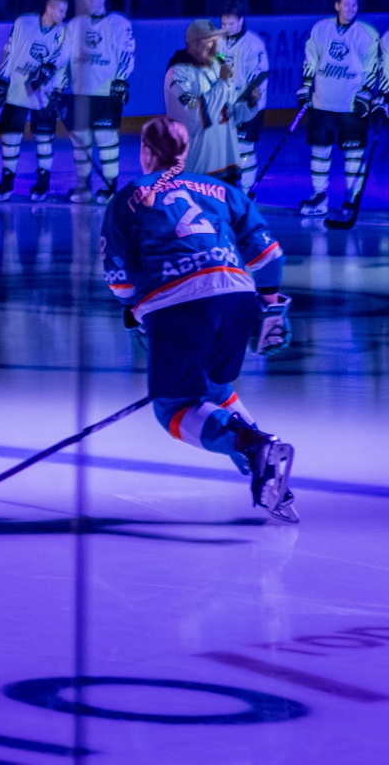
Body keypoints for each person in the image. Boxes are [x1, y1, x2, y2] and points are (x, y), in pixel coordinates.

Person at [101, 115, 295, 522]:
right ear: (185, 152)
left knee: (173, 407)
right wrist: (272, 305)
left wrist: (138, 313)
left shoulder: (129, 196)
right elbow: (271, 257)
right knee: (214, 386)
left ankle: (252, 445)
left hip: (178, 306)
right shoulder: (221, 190)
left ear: (146, 152)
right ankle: (267, 471)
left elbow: (120, 283)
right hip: (237, 296)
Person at [299, 0, 382, 218]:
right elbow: (311, 57)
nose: (350, 9)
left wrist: (367, 93)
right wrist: (306, 86)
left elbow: (371, 66)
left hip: (352, 106)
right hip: (323, 103)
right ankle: (319, 196)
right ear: (337, 5)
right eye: (346, 5)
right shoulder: (321, 29)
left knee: (354, 153)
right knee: (319, 151)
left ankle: (351, 197)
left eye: (354, 5)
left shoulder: (366, 34)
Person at [0, 0, 70, 200]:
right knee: (10, 132)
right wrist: (1, 79)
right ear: (50, 8)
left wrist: (59, 90)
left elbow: (62, 62)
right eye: (61, 10)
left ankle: (43, 181)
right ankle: (7, 181)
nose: (63, 15)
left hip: (44, 92)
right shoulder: (23, 23)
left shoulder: (64, 33)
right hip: (18, 87)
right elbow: (9, 50)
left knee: (44, 136)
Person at [64, 0, 135, 200]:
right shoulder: (75, 25)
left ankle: (109, 185)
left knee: (106, 138)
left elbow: (127, 54)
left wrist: (121, 80)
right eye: (86, 0)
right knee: (81, 140)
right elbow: (63, 55)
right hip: (80, 93)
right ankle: (83, 185)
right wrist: (56, 81)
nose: (89, 4)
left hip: (107, 92)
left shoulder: (118, 24)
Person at [164, 19, 242, 182]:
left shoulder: (218, 67)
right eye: (209, 42)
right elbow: (193, 114)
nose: (215, 48)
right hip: (199, 172)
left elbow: (231, 114)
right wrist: (221, 84)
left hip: (226, 166)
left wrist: (249, 103)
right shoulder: (178, 73)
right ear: (192, 45)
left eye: (216, 41)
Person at [216, 2, 270, 193]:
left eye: (231, 24)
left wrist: (250, 100)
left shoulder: (253, 44)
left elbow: (260, 74)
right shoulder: (218, 42)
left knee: (244, 148)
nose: (226, 28)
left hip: (248, 105)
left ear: (241, 22)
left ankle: (247, 192)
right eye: (224, 24)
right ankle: (228, 191)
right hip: (226, 105)